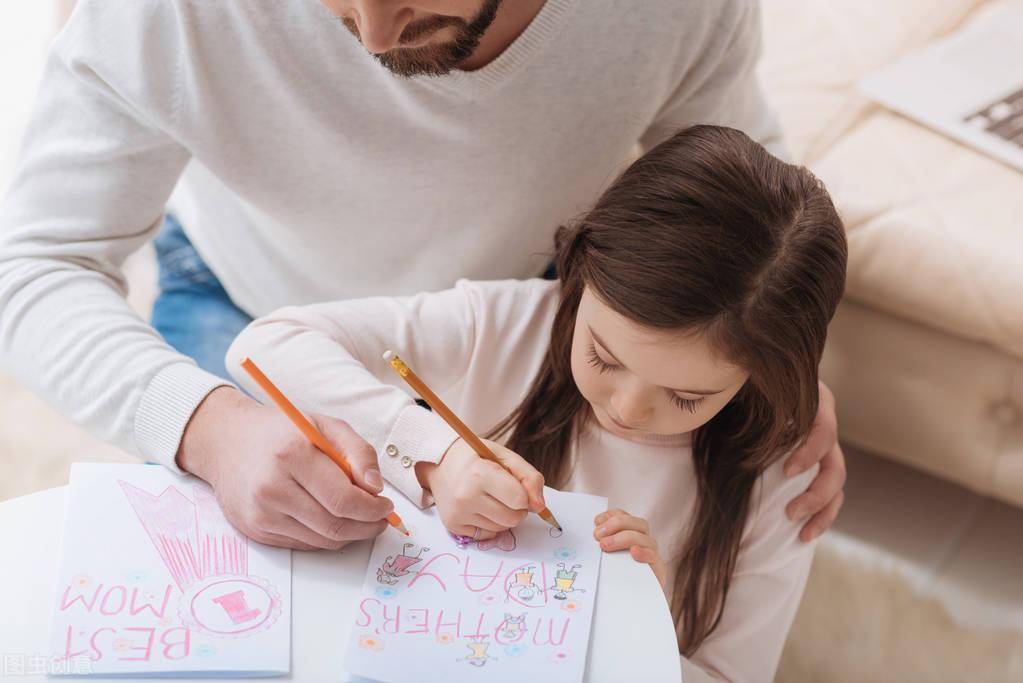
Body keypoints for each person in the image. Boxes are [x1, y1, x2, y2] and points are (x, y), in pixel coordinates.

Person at [0, 0, 844, 550]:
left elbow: (750, 187)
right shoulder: (161, 14)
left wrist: (783, 348)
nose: (370, 36)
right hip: (249, 296)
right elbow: (34, 265)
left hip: (527, 309)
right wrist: (205, 426)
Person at [226, 125, 848, 682]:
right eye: (604, 357)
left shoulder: (783, 472)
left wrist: (633, 634)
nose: (627, 409)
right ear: (580, 268)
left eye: (686, 397)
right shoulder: (508, 324)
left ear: (759, 375)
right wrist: (435, 454)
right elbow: (269, 344)